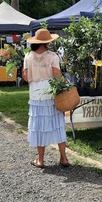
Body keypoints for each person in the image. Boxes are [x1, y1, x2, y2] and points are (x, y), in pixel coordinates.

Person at [22, 29, 69, 169]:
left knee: (39, 126)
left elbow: (25, 76)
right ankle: (64, 157)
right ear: (47, 42)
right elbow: (57, 74)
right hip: (50, 90)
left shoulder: (28, 56)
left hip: (35, 92)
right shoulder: (52, 56)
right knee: (57, 124)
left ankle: (41, 160)